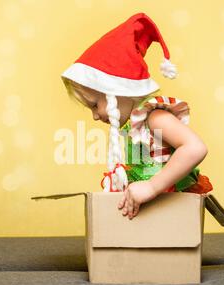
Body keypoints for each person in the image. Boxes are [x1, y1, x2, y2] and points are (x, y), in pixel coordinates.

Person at [61, 12, 213, 220]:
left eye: (95, 105)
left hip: (173, 209)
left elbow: (195, 148)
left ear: (117, 91)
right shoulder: (131, 125)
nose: (95, 117)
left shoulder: (154, 117)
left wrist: (151, 186)